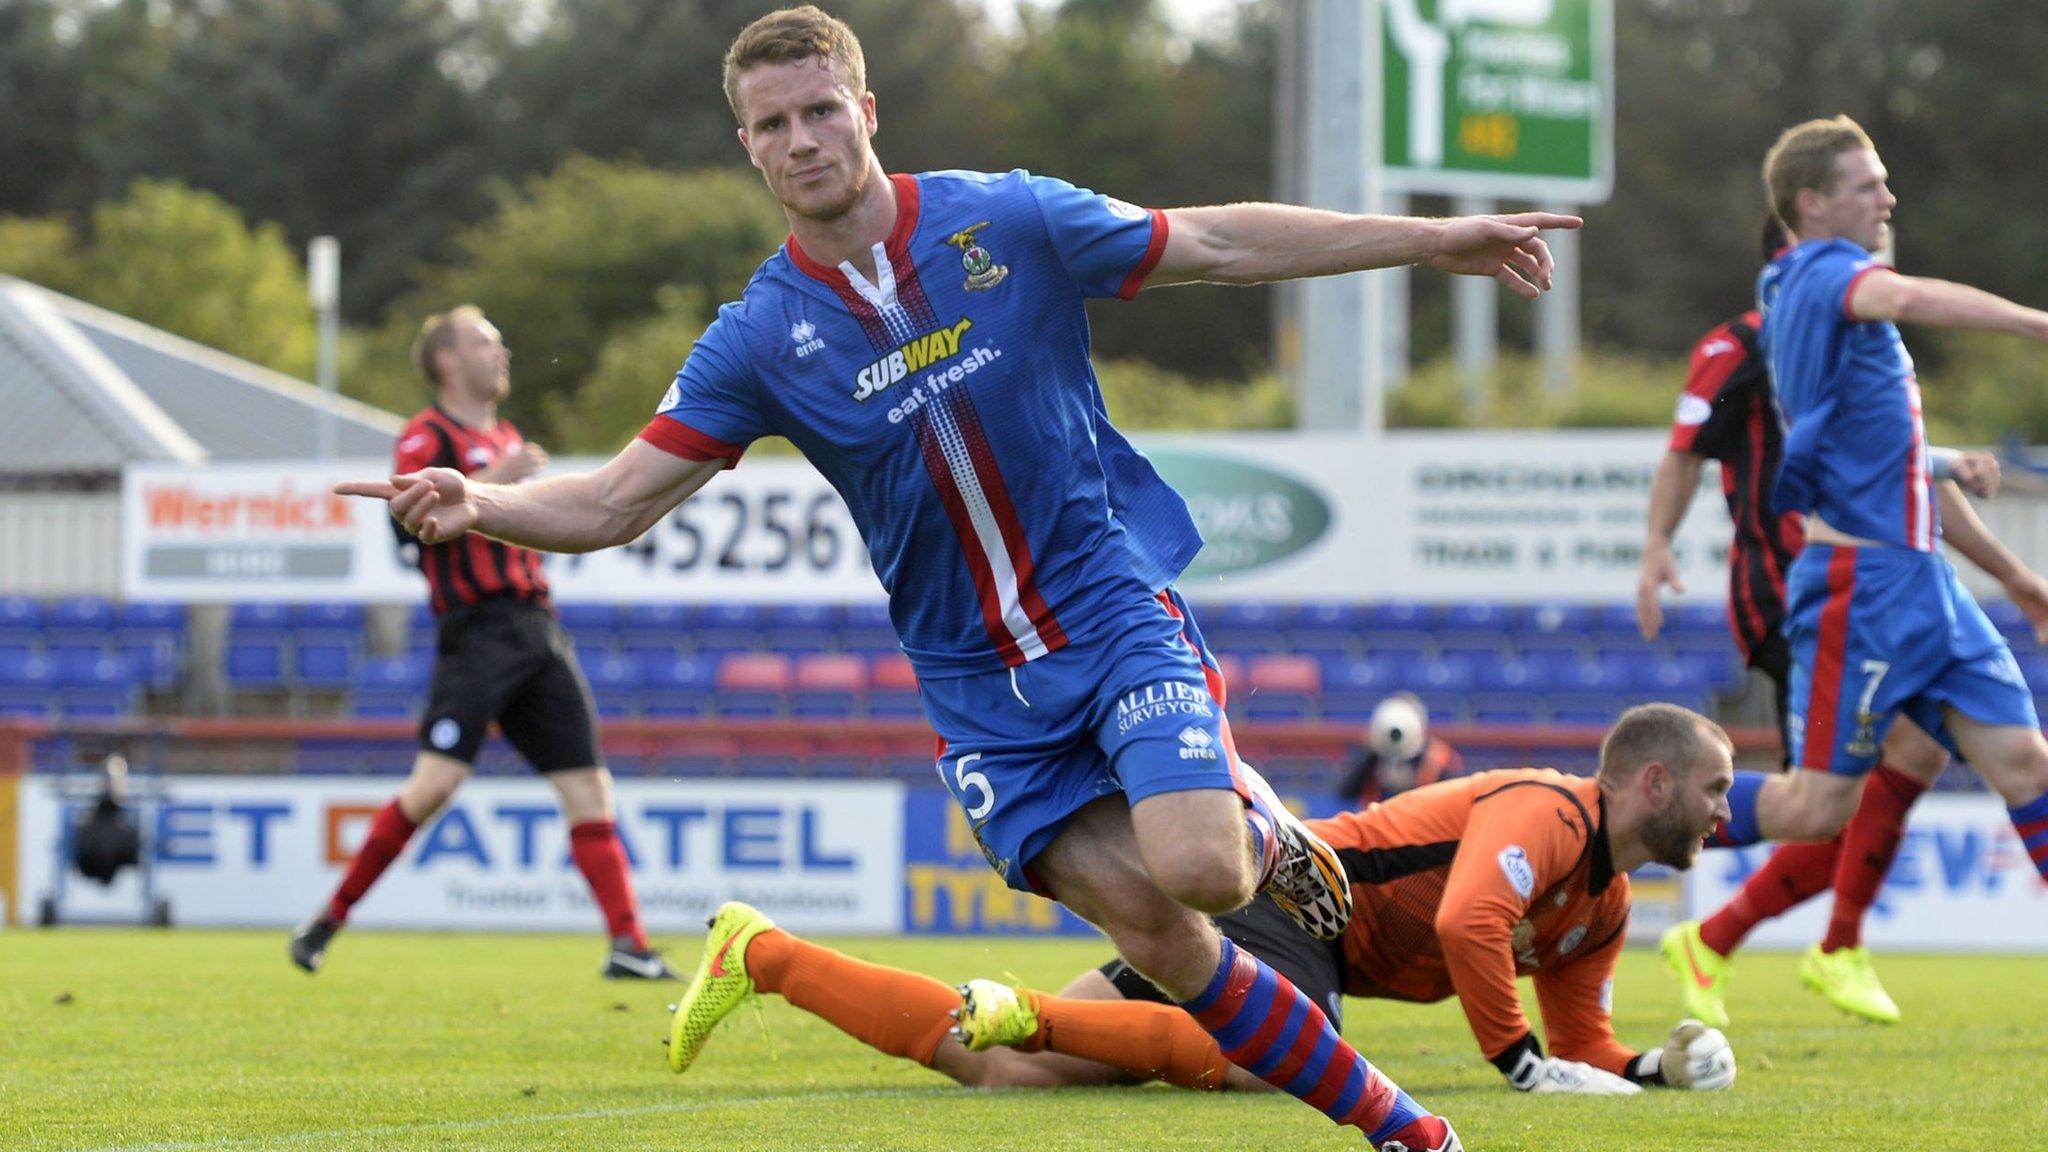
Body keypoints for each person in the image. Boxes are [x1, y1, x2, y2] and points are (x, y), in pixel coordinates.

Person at [337, 8, 1580, 1149]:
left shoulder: (1007, 218)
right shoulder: (759, 336)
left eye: (820, 109)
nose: (801, 138)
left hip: (1106, 610)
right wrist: (483, 503)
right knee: (1159, 934)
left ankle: (1256, 813)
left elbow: (1206, 242)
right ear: (748, 150)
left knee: (1206, 872)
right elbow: (613, 501)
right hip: (979, 690)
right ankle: (1409, 1133)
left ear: (865, 111)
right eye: (772, 125)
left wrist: (1432, 239)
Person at [665, 704, 1739, 1102]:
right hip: (1292, 903)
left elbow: (1579, 1045)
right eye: (1714, 789)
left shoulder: (1600, 903)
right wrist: (1514, 1068)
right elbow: (1467, 923)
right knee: (1283, 1051)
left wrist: (1651, 1068)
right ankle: (1027, 1009)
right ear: (1650, 784)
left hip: (1307, 943)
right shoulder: (1547, 810)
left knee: (994, 1070)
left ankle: (759, 957)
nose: (1724, 813)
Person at [1635, 216, 2048, 1025]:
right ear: (1805, 228)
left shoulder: (1867, 342)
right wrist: (1655, 543)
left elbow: (1904, 479)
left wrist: (2008, 569)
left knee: (1931, 760)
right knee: (1830, 802)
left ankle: (1775, 940)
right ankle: (1611, 832)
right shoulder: (1752, 341)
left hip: (1897, 584)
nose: (1885, 214)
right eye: (1868, 197)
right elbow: (1685, 448)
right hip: (1798, 586)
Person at [291, 306, 677, 981]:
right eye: (483, 342)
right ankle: (327, 919)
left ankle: (629, 945)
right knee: (434, 785)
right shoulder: (428, 434)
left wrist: (503, 470)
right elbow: (407, 526)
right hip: (477, 632)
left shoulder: (504, 434)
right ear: (446, 361)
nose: (501, 353)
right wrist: (498, 474)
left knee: (590, 789)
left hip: (537, 629)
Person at [1335, 692, 1464, 807]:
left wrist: (1408, 785)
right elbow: (1344, 792)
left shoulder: (1439, 756)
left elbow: (1451, 800)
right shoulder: (1373, 754)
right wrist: (1370, 756)